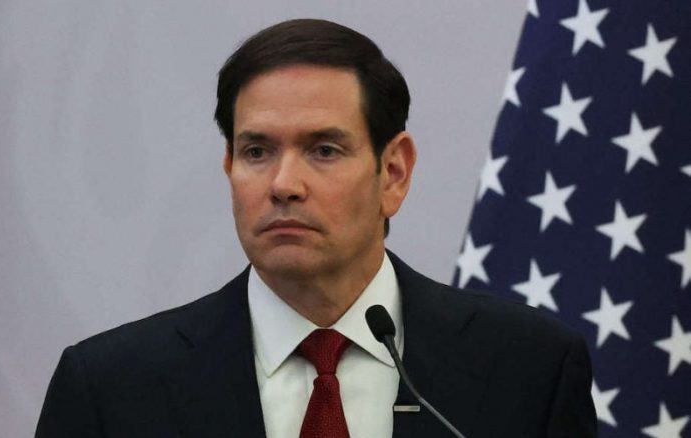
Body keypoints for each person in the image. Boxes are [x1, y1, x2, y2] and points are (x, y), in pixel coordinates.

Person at [35, 18, 597, 438]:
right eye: (257, 151)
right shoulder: (111, 386)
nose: (283, 184)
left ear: (393, 173)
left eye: (324, 150)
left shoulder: (529, 369)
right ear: (229, 167)